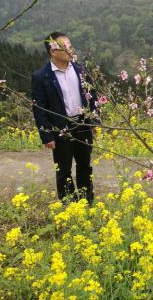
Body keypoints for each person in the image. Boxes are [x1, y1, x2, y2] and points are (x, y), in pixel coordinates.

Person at [31, 31, 97, 204]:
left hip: (82, 123)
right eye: (65, 47)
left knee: (85, 164)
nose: (70, 50)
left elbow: (92, 95)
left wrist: (94, 121)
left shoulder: (80, 69)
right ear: (53, 51)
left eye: (70, 46)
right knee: (63, 168)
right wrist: (46, 135)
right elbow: (39, 108)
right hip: (60, 127)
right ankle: (68, 203)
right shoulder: (41, 76)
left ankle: (87, 200)